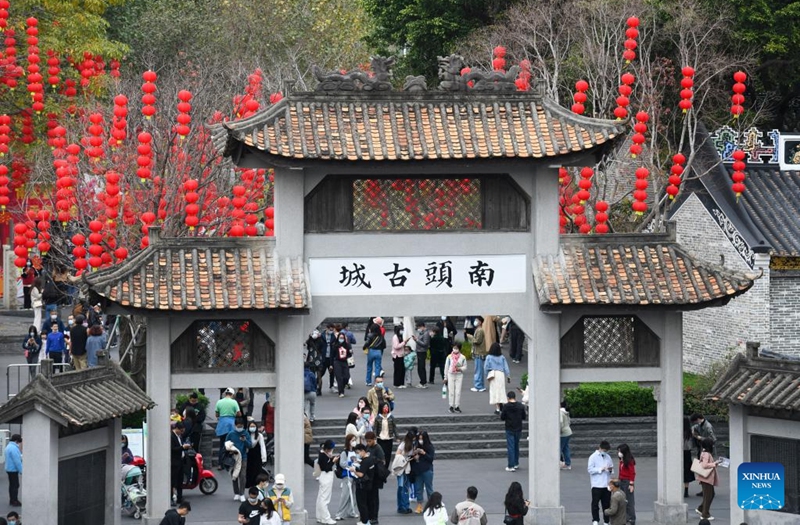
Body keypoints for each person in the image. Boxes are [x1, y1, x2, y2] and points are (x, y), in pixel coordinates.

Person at [351, 444, 379, 525]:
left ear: (363, 451)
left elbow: (361, 474)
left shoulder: (365, 461)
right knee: (368, 503)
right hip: (369, 485)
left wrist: (354, 471)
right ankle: (367, 520)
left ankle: (364, 521)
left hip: (363, 485)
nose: (357, 454)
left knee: (362, 504)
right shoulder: (370, 459)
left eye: (358, 452)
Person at [695, 437, 721, 520]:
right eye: (712, 445)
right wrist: (714, 464)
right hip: (707, 478)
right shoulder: (707, 454)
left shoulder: (704, 453)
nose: (713, 446)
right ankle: (705, 514)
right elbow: (704, 465)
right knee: (708, 496)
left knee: (710, 494)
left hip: (705, 478)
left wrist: (714, 463)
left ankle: (701, 508)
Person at [226, 417, 253, 501]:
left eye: (241, 426)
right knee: (234, 475)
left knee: (242, 475)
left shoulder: (246, 434)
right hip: (233, 457)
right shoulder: (231, 434)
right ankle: (236, 493)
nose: (239, 428)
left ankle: (242, 493)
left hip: (243, 457)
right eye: (238, 426)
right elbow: (226, 444)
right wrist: (230, 450)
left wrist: (244, 440)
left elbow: (250, 445)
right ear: (235, 425)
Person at [588, 440, 614, 525]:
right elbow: (590, 470)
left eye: (606, 451)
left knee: (606, 503)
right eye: (604, 450)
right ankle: (595, 519)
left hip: (606, 484)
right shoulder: (593, 457)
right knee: (595, 503)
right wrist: (600, 469)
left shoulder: (608, 457)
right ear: (600, 448)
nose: (605, 452)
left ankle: (606, 520)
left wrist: (610, 469)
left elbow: (611, 468)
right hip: (596, 484)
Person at [690, 413, 716, 496]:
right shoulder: (700, 425)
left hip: (708, 451)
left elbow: (713, 439)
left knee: (708, 471)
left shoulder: (708, 426)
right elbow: (694, 428)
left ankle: (710, 490)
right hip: (702, 450)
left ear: (698, 419)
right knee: (702, 471)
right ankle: (705, 489)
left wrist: (700, 438)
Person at [335, 434, 360, 521]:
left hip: (355, 475)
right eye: (352, 440)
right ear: (348, 441)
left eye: (355, 440)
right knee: (345, 495)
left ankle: (351, 511)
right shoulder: (344, 452)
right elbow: (342, 463)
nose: (354, 442)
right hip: (347, 475)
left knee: (354, 494)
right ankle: (339, 513)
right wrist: (351, 465)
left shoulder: (356, 452)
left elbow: (358, 461)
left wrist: (357, 464)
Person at [216, 388, 242, 467]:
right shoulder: (234, 402)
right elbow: (239, 414)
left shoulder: (219, 402)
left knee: (222, 444)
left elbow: (217, 415)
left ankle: (220, 464)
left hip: (222, 425)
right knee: (231, 444)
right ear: (232, 394)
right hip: (231, 425)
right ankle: (230, 462)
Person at [500, 391, 525, 471]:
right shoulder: (520, 406)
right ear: (515, 397)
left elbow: (502, 417)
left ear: (508, 398)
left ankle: (511, 465)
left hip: (509, 428)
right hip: (518, 428)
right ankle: (516, 463)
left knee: (511, 447)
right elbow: (524, 416)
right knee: (516, 446)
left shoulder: (506, 406)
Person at [411, 430, 435, 514]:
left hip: (427, 470)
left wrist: (424, 453)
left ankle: (432, 505)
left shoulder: (429, 446)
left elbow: (431, 459)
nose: (420, 440)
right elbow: (412, 457)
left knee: (429, 489)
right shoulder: (416, 445)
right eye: (419, 439)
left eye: (422, 439)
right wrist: (414, 455)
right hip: (418, 470)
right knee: (418, 489)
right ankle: (419, 505)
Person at [316, 440, 339, 524]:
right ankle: (326, 518)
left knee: (321, 497)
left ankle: (320, 516)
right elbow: (326, 468)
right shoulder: (323, 455)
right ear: (327, 449)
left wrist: (332, 458)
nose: (331, 451)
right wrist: (333, 461)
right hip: (326, 476)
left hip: (324, 477)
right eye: (330, 449)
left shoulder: (322, 453)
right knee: (325, 498)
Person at [484, 343, 510, 414]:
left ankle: (497, 408)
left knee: (494, 391)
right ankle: (502, 405)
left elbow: (486, 367)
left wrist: (487, 375)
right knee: (501, 390)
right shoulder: (502, 357)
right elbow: (506, 367)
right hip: (501, 374)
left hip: (493, 374)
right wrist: (508, 375)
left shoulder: (489, 357)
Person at [394, 429, 415, 515]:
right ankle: (403, 506)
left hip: (403, 468)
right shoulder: (404, 445)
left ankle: (403, 506)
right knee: (404, 488)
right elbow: (397, 454)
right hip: (403, 468)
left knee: (402, 487)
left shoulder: (404, 444)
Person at [171, 422, 191, 504]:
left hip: (181, 461)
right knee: (173, 481)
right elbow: (173, 449)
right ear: (177, 429)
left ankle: (180, 497)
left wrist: (185, 447)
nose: (182, 433)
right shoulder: (171, 437)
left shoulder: (179, 436)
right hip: (174, 462)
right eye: (181, 431)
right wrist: (182, 447)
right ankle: (171, 498)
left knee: (180, 481)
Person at [444, 342, 467, 413]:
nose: (455, 349)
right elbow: (446, 367)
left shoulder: (463, 357)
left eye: (456, 348)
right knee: (451, 391)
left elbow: (465, 366)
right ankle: (451, 405)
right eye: (454, 348)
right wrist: (445, 377)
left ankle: (457, 406)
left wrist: (460, 369)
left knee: (458, 391)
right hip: (451, 374)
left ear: (459, 349)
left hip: (459, 375)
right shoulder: (449, 357)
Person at [246, 418, 268, 489]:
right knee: (249, 473)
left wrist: (264, 458)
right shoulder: (246, 435)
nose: (252, 428)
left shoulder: (259, 436)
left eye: (253, 426)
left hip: (257, 457)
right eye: (251, 426)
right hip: (248, 457)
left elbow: (262, 447)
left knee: (257, 473)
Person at [616, 444, 636, 524]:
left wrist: (631, 484)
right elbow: (620, 471)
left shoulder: (629, 460)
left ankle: (631, 518)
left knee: (629, 501)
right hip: (622, 481)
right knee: (623, 500)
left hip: (627, 482)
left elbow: (632, 473)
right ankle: (626, 517)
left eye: (620, 451)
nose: (618, 452)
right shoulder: (622, 460)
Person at [467, 317, 486, 392]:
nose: (475, 321)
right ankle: (480, 386)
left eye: (477, 320)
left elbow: (477, 341)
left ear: (480, 322)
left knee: (478, 370)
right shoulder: (478, 330)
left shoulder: (480, 330)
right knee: (479, 370)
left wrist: (470, 337)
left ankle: (478, 386)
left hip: (479, 353)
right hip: (478, 352)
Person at [333, 331, 352, 398]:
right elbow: (332, 355)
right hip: (337, 362)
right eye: (340, 338)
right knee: (339, 377)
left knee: (346, 376)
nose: (341, 339)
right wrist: (331, 365)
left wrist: (350, 352)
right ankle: (341, 392)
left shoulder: (347, 345)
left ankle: (343, 386)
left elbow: (350, 354)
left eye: (342, 338)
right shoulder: (335, 345)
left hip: (345, 362)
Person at [4, 434, 22, 507]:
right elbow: (17, 461)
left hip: (9, 468)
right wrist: (21, 470)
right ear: (16, 441)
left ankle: (12, 500)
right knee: (15, 485)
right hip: (13, 470)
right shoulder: (14, 448)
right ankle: (14, 500)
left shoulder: (8, 446)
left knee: (12, 485)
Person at [413, 322, 431, 388]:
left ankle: (423, 382)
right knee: (420, 367)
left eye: (419, 327)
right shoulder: (422, 333)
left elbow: (425, 343)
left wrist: (417, 340)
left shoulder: (426, 333)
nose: (418, 329)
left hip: (422, 351)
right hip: (419, 351)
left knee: (421, 367)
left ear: (422, 326)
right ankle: (422, 381)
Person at [683, 418, 695, 498]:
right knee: (687, 471)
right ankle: (686, 490)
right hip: (688, 453)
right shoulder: (690, 432)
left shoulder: (679, 431)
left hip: (680, 453)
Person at [560, 400, 573, 470]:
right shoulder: (565, 412)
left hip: (563, 433)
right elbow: (569, 421)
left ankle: (558, 464)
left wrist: (559, 431)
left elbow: (560, 422)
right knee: (565, 448)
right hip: (568, 431)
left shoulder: (560, 412)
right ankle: (568, 464)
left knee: (559, 449)